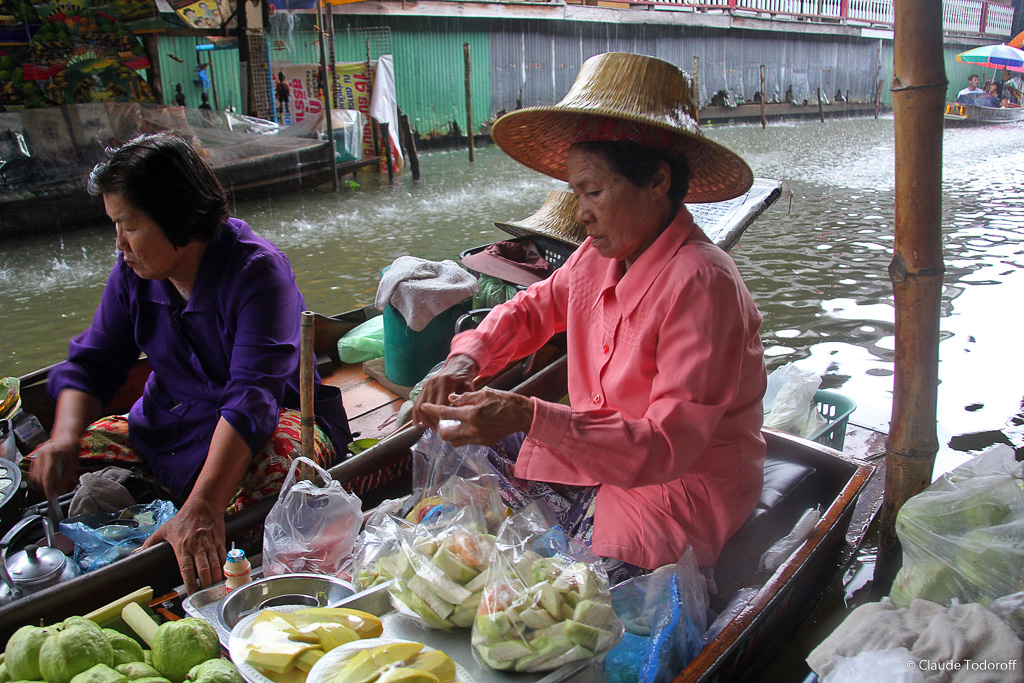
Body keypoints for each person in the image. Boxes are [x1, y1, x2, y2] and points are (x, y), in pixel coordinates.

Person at [413, 52, 766, 581]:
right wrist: (465, 361)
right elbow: (531, 309)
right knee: (447, 431)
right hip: (600, 460)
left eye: (594, 192)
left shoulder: (702, 283)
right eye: (577, 193)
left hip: (671, 491)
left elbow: (664, 447)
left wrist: (529, 414)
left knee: (569, 602)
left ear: (657, 182)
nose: (580, 214)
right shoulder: (599, 254)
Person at [27, 133, 352, 593]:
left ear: (176, 216)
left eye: (129, 225)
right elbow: (94, 361)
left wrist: (204, 507)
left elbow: (250, 399)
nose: (119, 244)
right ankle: (172, 512)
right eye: (114, 226)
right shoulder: (132, 274)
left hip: (269, 425)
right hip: (172, 425)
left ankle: (193, 516)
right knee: (44, 463)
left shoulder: (259, 272)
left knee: (286, 481)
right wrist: (61, 438)